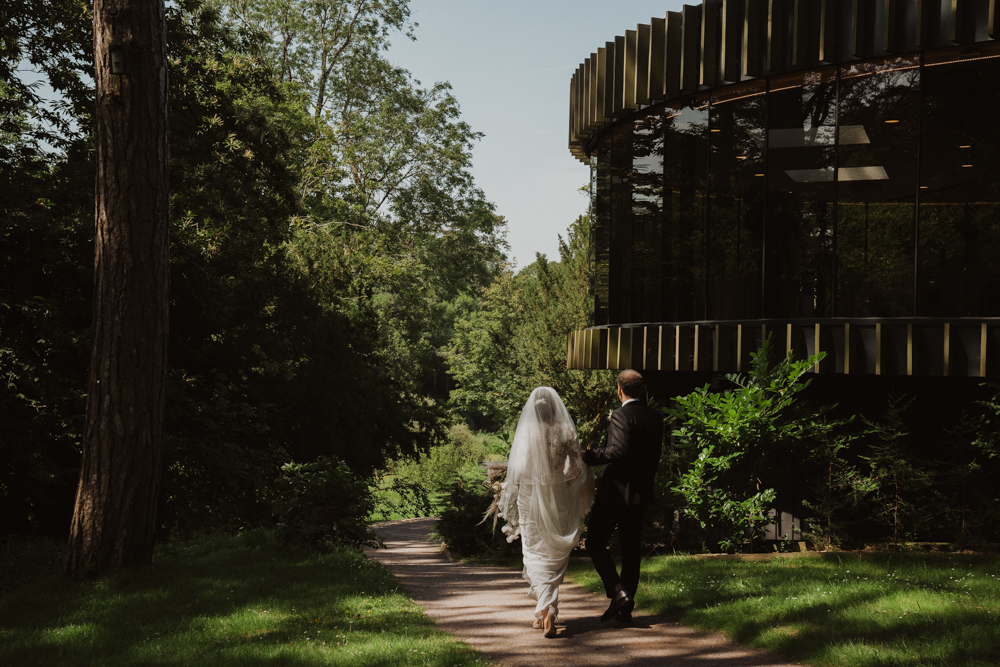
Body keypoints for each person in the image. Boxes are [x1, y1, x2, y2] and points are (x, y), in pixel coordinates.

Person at [497, 387, 594, 638]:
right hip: (558, 493)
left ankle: (546, 609)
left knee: (533, 549)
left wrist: (508, 490)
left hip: (530, 495)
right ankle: (548, 610)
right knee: (553, 550)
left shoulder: (526, 432)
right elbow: (576, 467)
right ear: (554, 407)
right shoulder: (566, 430)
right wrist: (566, 485)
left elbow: (517, 469)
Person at [582, 369, 664, 623]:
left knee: (594, 542)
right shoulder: (654, 418)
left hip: (615, 492)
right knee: (630, 549)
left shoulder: (621, 415)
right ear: (641, 390)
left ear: (619, 390)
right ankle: (625, 609)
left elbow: (617, 451)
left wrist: (588, 456)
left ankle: (618, 592)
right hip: (640, 493)